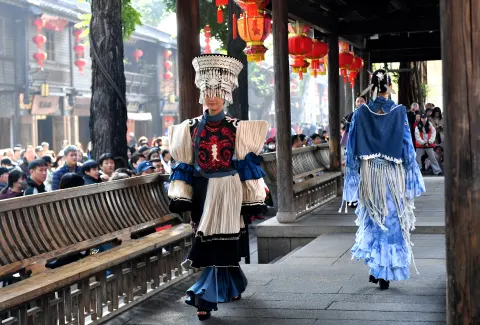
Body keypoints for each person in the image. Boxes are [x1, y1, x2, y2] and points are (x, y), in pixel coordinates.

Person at [168, 54, 267, 320]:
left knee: (215, 240)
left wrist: (253, 196)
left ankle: (204, 296)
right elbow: (184, 165)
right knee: (213, 239)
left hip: (229, 189)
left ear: (226, 95)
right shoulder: (188, 129)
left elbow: (247, 165)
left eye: (217, 92)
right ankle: (233, 283)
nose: (211, 97)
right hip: (201, 191)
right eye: (207, 91)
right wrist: (181, 195)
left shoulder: (239, 128)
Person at [342, 69, 425, 290]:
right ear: (389, 86)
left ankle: (378, 269)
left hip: (370, 174)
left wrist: (351, 177)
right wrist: (411, 177)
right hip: (392, 174)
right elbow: (408, 147)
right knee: (393, 219)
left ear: (372, 87)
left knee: (374, 218)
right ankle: (385, 270)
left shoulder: (360, 113)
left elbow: (350, 149)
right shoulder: (399, 112)